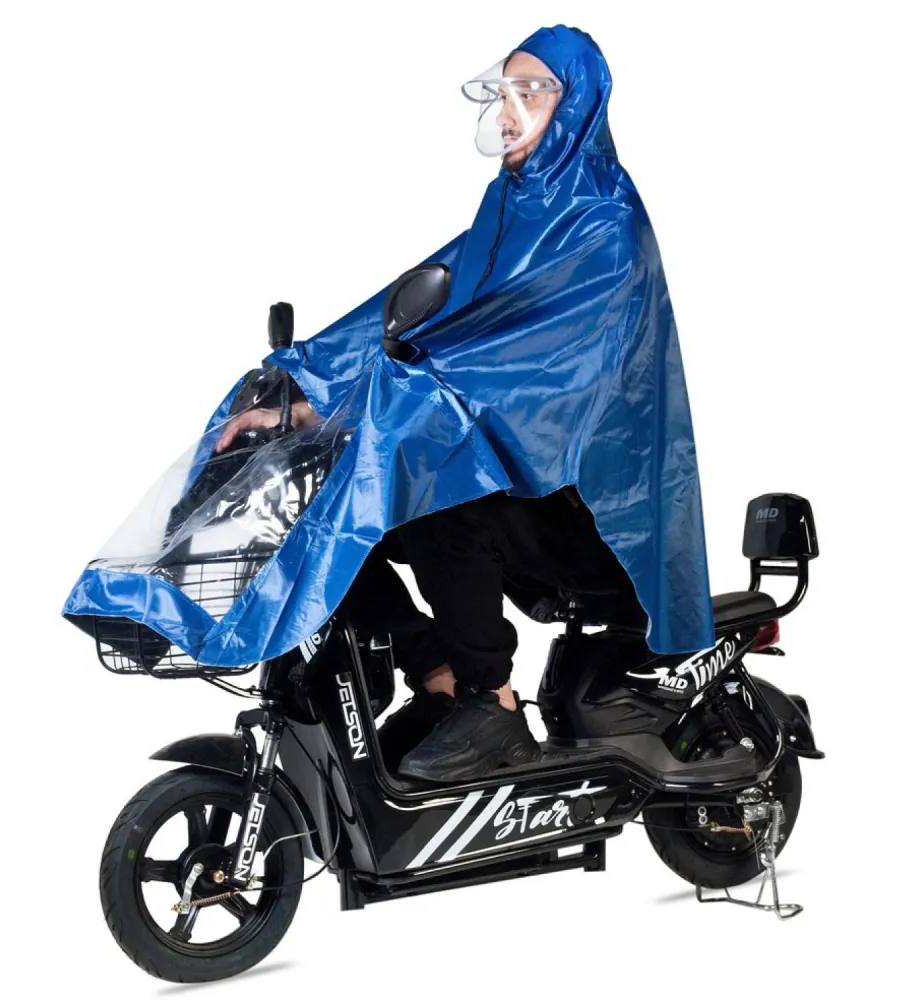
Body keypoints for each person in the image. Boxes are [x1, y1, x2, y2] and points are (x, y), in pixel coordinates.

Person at [212, 27, 690, 783]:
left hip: (595, 512)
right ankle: (435, 673)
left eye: (530, 93)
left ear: (576, 107)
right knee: (332, 491)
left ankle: (490, 705)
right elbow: (414, 308)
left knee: (437, 486)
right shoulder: (512, 211)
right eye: (504, 93)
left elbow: (526, 375)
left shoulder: (607, 231)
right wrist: (304, 389)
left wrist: (369, 406)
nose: (507, 113)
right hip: (523, 490)